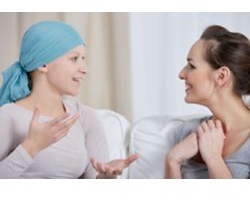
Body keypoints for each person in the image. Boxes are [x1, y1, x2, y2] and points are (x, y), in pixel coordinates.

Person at [0, 20, 138, 178]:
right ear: (43, 64)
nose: (85, 69)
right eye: (74, 59)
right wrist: (31, 146)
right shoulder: (7, 116)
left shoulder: (86, 118)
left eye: (83, 59)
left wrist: (106, 177)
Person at [165, 25, 250, 179]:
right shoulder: (186, 133)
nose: (181, 74)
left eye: (191, 66)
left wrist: (213, 158)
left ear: (221, 76)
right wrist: (172, 160)